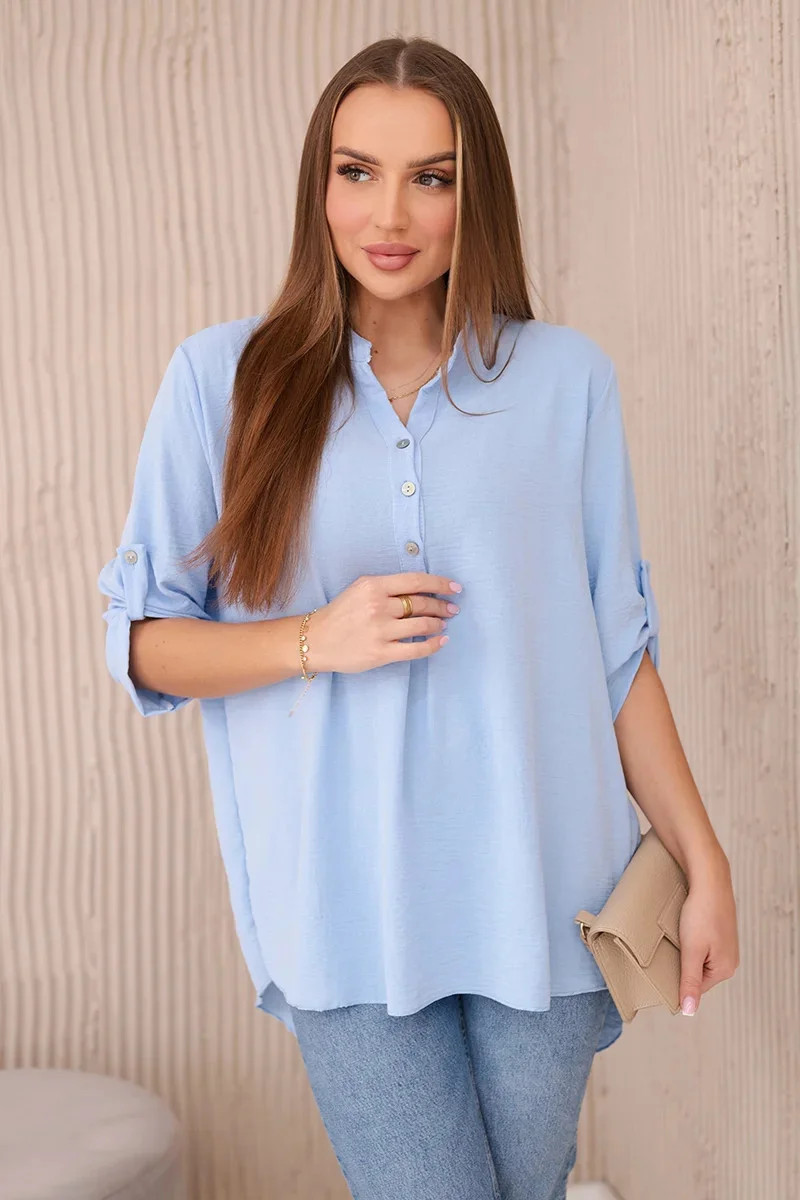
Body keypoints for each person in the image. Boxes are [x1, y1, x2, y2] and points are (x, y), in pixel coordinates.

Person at [97, 35, 739, 1200]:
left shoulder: (565, 382)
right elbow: (146, 642)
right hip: (345, 918)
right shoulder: (219, 383)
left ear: (472, 193)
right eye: (356, 172)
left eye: (429, 178)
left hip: (544, 904)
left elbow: (617, 653)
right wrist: (312, 640)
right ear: (319, 185)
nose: (386, 214)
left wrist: (704, 864)